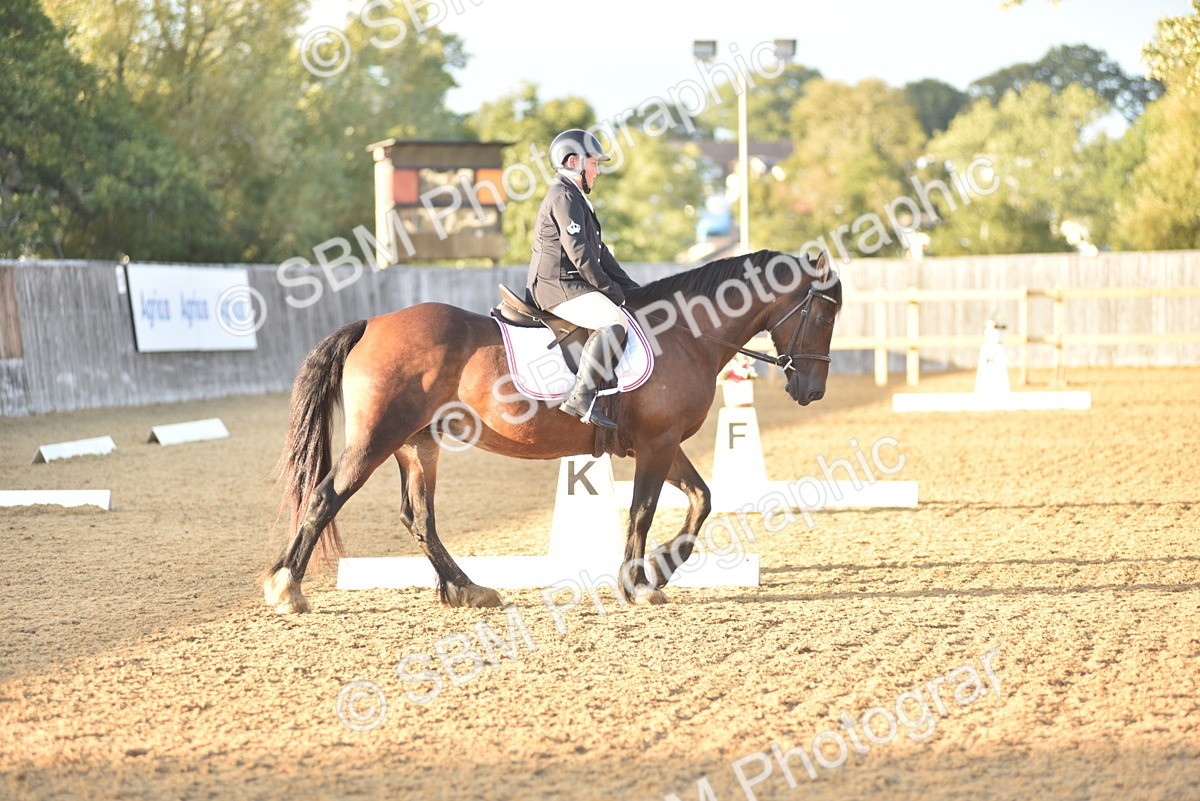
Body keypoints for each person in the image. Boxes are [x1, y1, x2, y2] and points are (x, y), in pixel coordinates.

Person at [526, 129, 640, 429]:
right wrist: (612, 293)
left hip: (570, 283)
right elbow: (581, 256)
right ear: (573, 161)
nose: (598, 170)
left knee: (621, 310)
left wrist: (635, 291)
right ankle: (582, 395)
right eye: (594, 163)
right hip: (556, 286)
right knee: (614, 321)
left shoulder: (576, 198)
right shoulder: (563, 197)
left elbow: (601, 255)